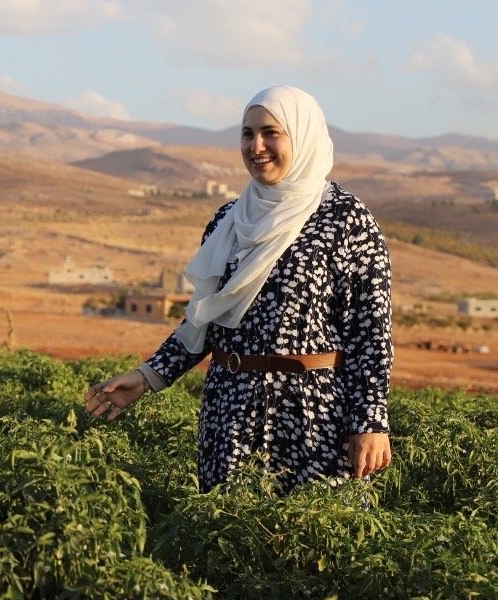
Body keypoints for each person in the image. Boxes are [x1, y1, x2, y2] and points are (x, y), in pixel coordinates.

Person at [85, 86, 393, 493]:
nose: (257, 146)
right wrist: (147, 377)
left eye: (271, 133)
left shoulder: (345, 219)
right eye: (247, 134)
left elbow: (370, 332)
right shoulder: (228, 221)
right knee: (226, 538)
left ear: (302, 136)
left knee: (312, 539)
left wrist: (369, 422)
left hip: (312, 417)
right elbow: (204, 321)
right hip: (229, 413)